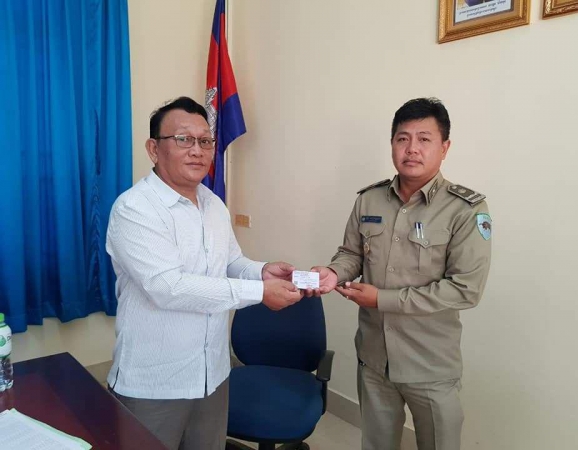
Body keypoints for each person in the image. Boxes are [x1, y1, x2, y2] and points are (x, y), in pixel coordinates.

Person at [105, 96, 303, 450]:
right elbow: (169, 288)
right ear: (154, 149)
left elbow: (231, 262)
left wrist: (262, 271)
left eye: (206, 141)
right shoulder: (134, 209)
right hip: (155, 382)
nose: (197, 150)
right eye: (184, 139)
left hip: (212, 373)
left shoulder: (213, 204)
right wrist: (260, 293)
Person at [307, 98, 492, 450]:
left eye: (424, 139)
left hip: (430, 364)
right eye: (402, 138)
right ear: (392, 143)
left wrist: (382, 299)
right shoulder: (369, 200)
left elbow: (465, 289)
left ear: (444, 147)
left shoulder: (465, 210)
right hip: (374, 358)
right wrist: (332, 272)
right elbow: (351, 254)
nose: (412, 149)